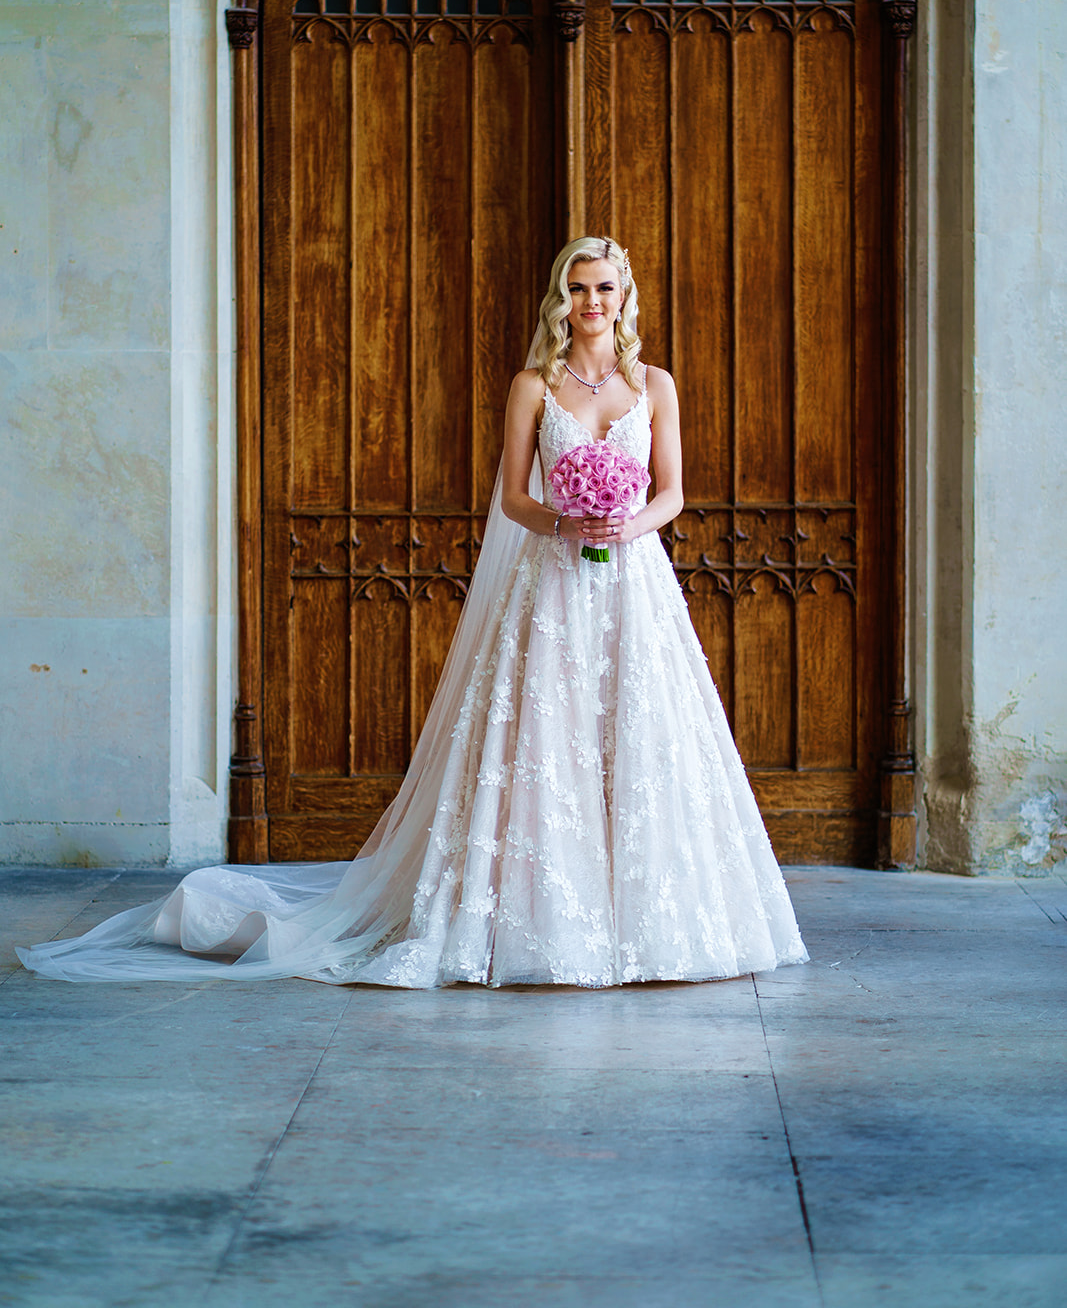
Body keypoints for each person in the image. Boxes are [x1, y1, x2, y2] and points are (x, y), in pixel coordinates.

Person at [17, 237, 807, 986]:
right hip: (555, 587)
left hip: (632, 586)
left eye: (603, 287)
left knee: (639, 740)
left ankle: (647, 925)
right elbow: (513, 499)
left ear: (624, 295)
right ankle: (530, 926)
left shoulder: (654, 385)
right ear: (560, 300)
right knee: (548, 740)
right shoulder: (534, 385)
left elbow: (670, 492)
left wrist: (625, 523)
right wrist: (568, 523)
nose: (589, 301)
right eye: (576, 288)